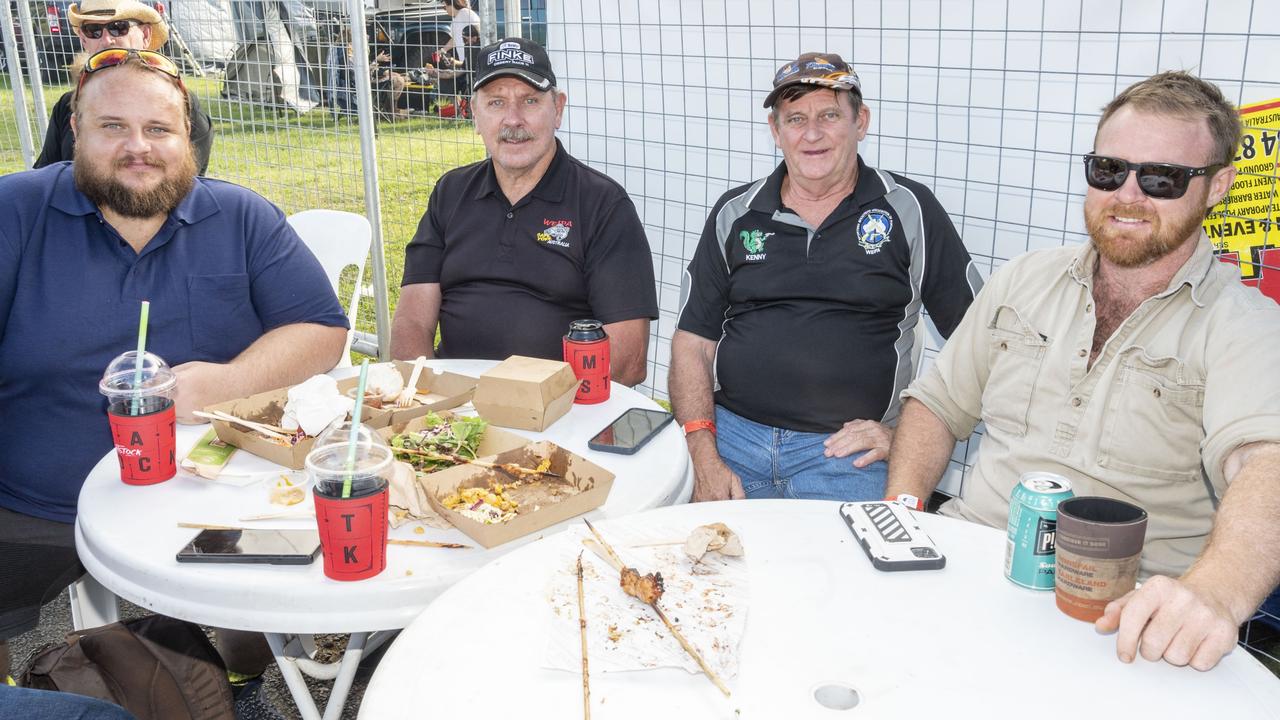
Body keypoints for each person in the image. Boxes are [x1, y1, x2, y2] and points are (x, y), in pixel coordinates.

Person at [885, 71, 1280, 671]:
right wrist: (902, 513)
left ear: (1218, 185)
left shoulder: (1243, 325)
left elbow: (1265, 463)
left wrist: (1213, 595)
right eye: (1108, 170)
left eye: (1162, 179)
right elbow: (937, 405)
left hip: (1122, 624)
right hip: (967, 568)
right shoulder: (1024, 277)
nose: (1128, 194)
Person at [0, 49, 348, 710]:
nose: (139, 147)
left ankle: (244, 672)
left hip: (211, 491)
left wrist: (230, 379)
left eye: (159, 129)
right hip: (33, 507)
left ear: (187, 135)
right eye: (113, 127)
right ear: (75, 130)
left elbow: (322, 329)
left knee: (318, 554)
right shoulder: (15, 210)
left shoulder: (241, 217)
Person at [669, 52, 982, 503]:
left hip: (848, 455)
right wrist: (701, 450)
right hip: (731, 440)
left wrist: (907, 440)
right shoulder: (735, 213)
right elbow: (691, 343)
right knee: (696, 561)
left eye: (829, 114)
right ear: (776, 132)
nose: (812, 134)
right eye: (795, 118)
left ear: (861, 121)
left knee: (845, 571)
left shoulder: (909, 210)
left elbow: (980, 346)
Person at [391, 38, 658, 384]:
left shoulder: (603, 204)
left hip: (559, 411)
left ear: (558, 109)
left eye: (529, 101)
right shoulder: (450, 192)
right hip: (453, 404)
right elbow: (412, 321)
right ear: (475, 115)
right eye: (496, 102)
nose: (512, 120)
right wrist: (425, 394)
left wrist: (533, 407)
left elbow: (628, 359)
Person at [34, 0, 214, 175]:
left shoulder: (179, 104)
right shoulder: (67, 104)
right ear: (83, 39)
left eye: (118, 27)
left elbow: (180, 187)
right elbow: (44, 177)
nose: (106, 40)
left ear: (145, 35)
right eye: (93, 30)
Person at [425, 23, 481, 117]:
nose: (464, 42)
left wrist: (436, 73)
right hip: (469, 75)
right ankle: (460, 110)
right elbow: (466, 65)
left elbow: (461, 72)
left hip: (474, 79)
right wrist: (453, 62)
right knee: (450, 77)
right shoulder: (471, 46)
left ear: (474, 38)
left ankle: (461, 112)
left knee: (448, 81)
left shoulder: (474, 49)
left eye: (465, 39)